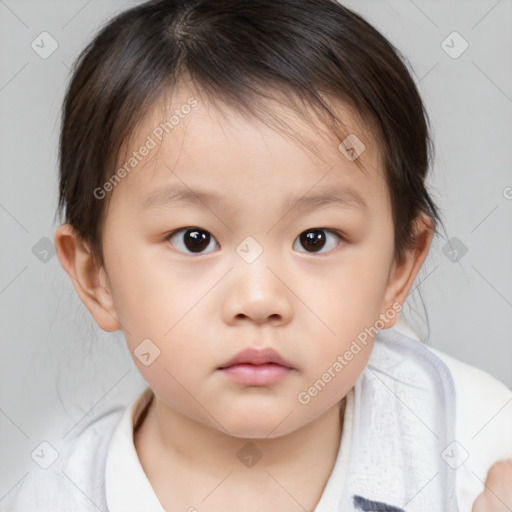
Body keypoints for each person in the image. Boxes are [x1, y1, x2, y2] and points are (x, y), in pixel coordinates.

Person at [1, 1, 510, 511]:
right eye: (194, 239)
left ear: (399, 270)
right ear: (96, 277)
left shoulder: (474, 446)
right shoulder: (57, 496)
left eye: (316, 239)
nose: (260, 299)